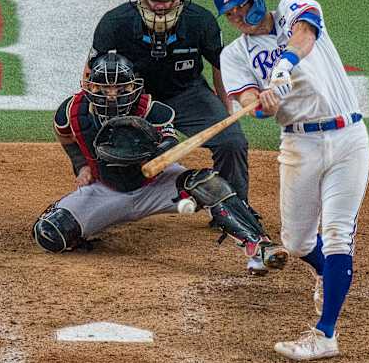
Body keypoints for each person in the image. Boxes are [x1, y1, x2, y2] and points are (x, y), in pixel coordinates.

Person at [213, 0, 369, 361]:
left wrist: (283, 66)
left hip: (348, 135)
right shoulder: (234, 55)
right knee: (298, 242)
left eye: (243, 6)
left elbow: (304, 36)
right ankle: (323, 272)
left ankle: (325, 333)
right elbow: (254, 102)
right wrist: (263, 100)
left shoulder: (290, 8)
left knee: (336, 233)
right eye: (230, 14)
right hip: (300, 143)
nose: (239, 16)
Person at [32, 51, 287, 275]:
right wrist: (81, 165)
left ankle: (259, 244)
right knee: (49, 233)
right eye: (103, 89)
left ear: (134, 87)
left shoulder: (152, 109)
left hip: (155, 184)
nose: (112, 96)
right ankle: (88, 226)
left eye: (121, 89)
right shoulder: (72, 111)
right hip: (105, 190)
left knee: (207, 182)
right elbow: (63, 134)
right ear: (90, 88)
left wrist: (158, 149)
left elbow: (170, 139)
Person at [84, 0, 266, 274]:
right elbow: (92, 70)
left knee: (232, 141)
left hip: (187, 94)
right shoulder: (115, 22)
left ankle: (236, 208)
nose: (160, 3)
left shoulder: (200, 21)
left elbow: (220, 68)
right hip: (134, 99)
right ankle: (103, 197)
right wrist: (97, 109)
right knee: (110, 143)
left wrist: (225, 112)